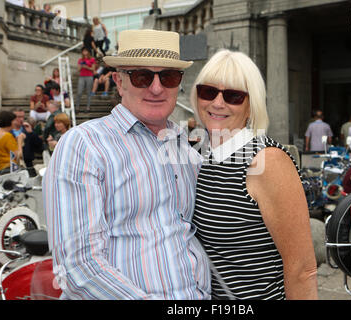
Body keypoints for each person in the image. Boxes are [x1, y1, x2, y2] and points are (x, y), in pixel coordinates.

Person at [43, 29, 211, 299]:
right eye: (142, 76)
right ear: (119, 82)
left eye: (168, 76)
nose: (156, 88)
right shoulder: (84, 145)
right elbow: (79, 268)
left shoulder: (185, 146)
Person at [190, 49, 318, 300]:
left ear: (251, 105)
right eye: (208, 92)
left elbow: (302, 269)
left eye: (233, 96)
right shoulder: (199, 154)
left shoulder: (267, 160)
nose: (217, 103)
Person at [76, 47, 96, 112]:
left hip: (89, 76)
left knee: (88, 92)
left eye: (86, 51)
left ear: (88, 52)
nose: (84, 52)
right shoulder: (80, 60)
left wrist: (87, 67)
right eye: (83, 51)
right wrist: (81, 66)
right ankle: (77, 107)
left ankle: (88, 107)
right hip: (82, 76)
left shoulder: (92, 59)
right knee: (79, 92)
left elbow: (93, 69)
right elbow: (78, 70)